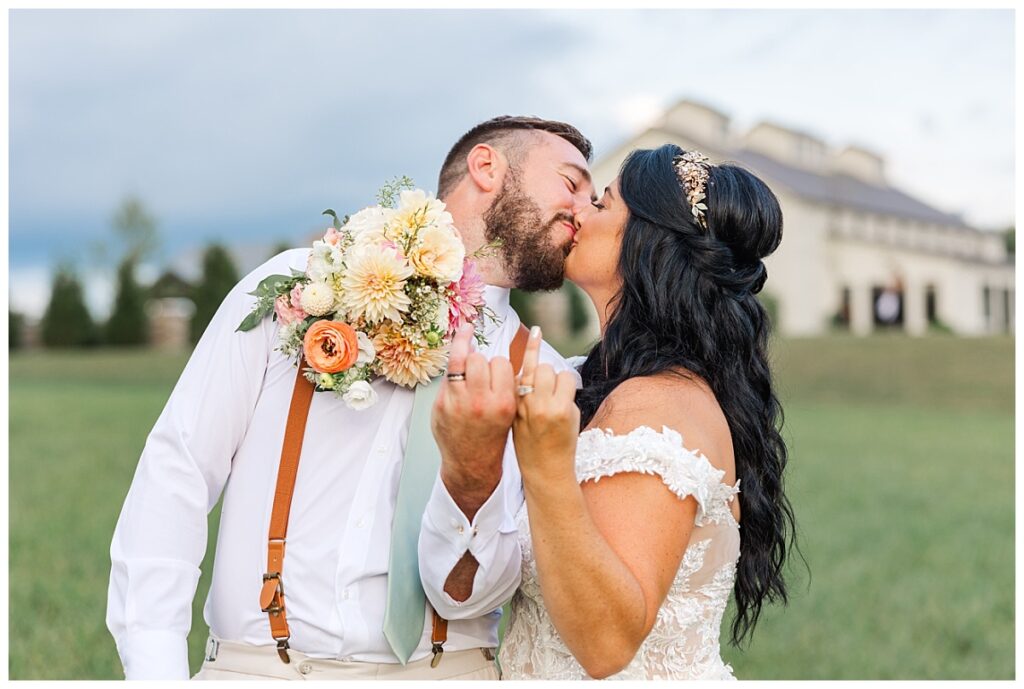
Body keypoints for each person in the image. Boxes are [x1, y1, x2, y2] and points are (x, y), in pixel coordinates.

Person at [105, 115, 596, 680]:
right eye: (570, 182)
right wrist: (155, 668)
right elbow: (179, 470)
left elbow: (471, 599)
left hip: (448, 671)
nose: (583, 209)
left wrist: (474, 475)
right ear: (487, 166)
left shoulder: (550, 379)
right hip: (259, 670)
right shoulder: (297, 285)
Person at [437, 144, 796, 680]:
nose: (578, 212)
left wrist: (544, 464)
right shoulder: (606, 383)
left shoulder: (657, 409)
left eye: (602, 204)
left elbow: (606, 644)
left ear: (648, 245)